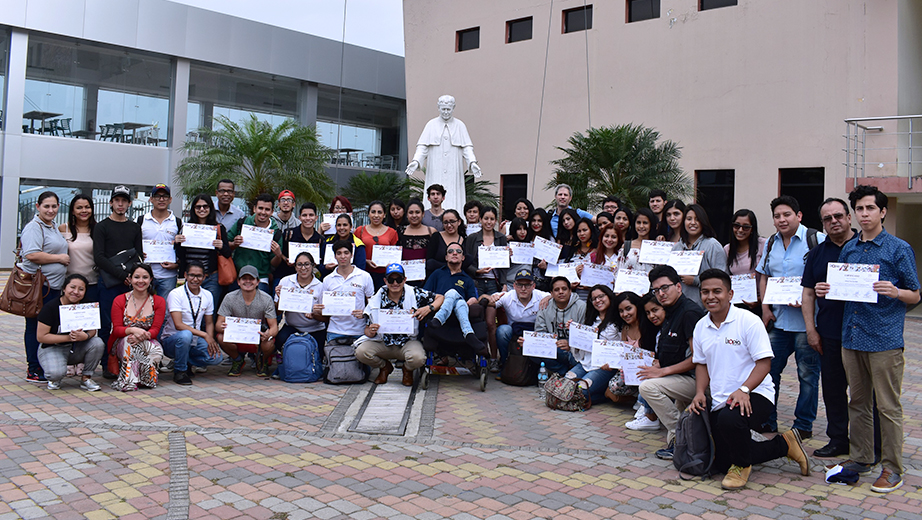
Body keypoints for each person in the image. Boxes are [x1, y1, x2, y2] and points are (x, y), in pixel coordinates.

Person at [827, 185, 919, 493]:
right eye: (860, 209)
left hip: (884, 340)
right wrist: (831, 289)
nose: (864, 214)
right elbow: (845, 288)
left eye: (870, 208)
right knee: (859, 402)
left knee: (888, 407)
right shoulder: (849, 249)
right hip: (851, 337)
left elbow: (915, 293)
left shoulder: (898, 249)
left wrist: (896, 291)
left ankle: (892, 468)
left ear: (883, 211)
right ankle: (861, 457)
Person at [689, 269, 811, 490]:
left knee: (730, 421)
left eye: (717, 291)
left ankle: (742, 465)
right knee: (721, 462)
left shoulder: (748, 321)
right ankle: (784, 445)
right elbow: (701, 364)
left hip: (756, 394)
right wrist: (699, 392)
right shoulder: (700, 326)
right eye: (705, 292)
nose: (711, 297)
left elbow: (764, 363)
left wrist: (744, 389)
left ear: (730, 294)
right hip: (720, 400)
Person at [801, 198, 872, 459]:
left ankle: (870, 443)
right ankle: (838, 439)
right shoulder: (818, 252)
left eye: (838, 216)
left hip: (864, 334)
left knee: (865, 392)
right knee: (833, 390)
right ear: (822, 223)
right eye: (828, 218)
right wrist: (811, 330)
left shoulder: (866, 247)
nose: (834, 221)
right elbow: (807, 294)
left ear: (849, 217)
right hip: (829, 333)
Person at [756, 195, 826, 438]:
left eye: (787, 215)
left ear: (799, 216)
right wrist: (765, 308)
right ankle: (767, 420)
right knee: (768, 371)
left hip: (808, 323)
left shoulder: (816, 239)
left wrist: (809, 298)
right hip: (779, 321)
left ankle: (803, 426)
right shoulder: (771, 243)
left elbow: (827, 277)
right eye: (777, 216)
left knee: (807, 376)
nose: (781, 220)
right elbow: (764, 275)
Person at [630, 265, 705, 461]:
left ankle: (684, 435)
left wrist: (662, 372)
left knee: (647, 387)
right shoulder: (671, 311)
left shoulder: (689, 313)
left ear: (679, 287)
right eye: (656, 290)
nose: (661, 294)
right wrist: (658, 364)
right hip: (680, 377)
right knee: (677, 414)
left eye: (665, 288)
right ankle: (680, 443)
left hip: (699, 382)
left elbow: (698, 358)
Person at [356, 263, 444, 386]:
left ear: (405, 280)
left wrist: (428, 308)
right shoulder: (377, 298)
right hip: (384, 342)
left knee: (418, 358)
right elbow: (367, 330)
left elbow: (440, 297)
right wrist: (370, 331)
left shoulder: (414, 293)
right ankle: (384, 367)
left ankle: (407, 370)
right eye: (391, 280)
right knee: (361, 352)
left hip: (407, 341)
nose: (395, 283)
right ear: (385, 281)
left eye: (399, 279)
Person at [19, 191, 71, 383]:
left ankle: (44, 364)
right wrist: (60, 258)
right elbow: (31, 254)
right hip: (38, 288)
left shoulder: (52, 226)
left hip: (53, 287)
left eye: (54, 206)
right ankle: (33, 368)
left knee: (48, 326)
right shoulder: (34, 227)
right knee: (34, 326)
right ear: (37, 207)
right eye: (46, 206)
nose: (51, 210)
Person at [93, 185, 144, 378]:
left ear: (129, 203)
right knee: (106, 325)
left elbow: (138, 256)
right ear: (111, 203)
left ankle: (128, 361)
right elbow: (99, 257)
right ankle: (107, 364)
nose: (120, 204)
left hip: (129, 286)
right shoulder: (102, 227)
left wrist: (134, 278)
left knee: (130, 323)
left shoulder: (134, 227)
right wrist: (123, 276)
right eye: (117, 200)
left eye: (124, 200)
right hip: (108, 284)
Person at [406, 95, 482, 214]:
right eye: (443, 109)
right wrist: (416, 161)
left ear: (453, 108)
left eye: (448, 109)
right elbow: (422, 146)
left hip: (454, 168)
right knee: (434, 190)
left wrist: (472, 162)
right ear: (438, 108)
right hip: (435, 167)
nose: (446, 112)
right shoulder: (431, 125)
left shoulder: (460, 125)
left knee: (454, 194)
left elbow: (467, 147)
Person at [36, 274, 104, 391]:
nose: (76, 292)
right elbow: (41, 337)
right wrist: (69, 338)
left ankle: (86, 378)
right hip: (53, 347)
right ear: (64, 288)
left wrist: (86, 336)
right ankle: (55, 379)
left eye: (81, 289)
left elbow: (93, 330)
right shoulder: (50, 308)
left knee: (97, 343)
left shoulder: (87, 305)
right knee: (55, 373)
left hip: (77, 348)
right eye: (72, 287)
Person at [160, 261, 224, 385]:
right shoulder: (176, 294)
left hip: (194, 338)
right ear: (185, 275)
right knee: (185, 335)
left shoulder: (207, 295)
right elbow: (178, 325)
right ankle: (180, 371)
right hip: (173, 339)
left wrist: (209, 339)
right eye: (192, 275)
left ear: (204, 277)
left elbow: (209, 322)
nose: (195, 279)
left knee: (216, 358)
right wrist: (204, 335)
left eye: (199, 276)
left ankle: (184, 360)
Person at [108, 264, 167, 392]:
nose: (141, 281)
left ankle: (146, 379)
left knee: (155, 349)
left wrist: (142, 336)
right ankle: (128, 381)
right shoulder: (119, 300)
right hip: (123, 339)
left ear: (151, 279)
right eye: (137, 277)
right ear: (130, 279)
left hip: (147, 339)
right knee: (130, 344)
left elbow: (156, 330)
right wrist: (133, 331)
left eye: (145, 277)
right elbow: (117, 329)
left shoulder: (159, 301)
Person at [216, 266, 279, 377]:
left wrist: (268, 334)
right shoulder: (229, 298)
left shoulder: (266, 299)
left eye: (252, 279)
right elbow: (218, 324)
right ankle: (237, 360)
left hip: (258, 337)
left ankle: (262, 360)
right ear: (238, 282)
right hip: (236, 336)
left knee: (269, 340)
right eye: (244, 278)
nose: (248, 281)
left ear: (257, 282)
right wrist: (223, 327)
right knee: (220, 337)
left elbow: (274, 326)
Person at [424, 242, 487, 354]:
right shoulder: (437, 274)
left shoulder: (467, 279)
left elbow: (473, 298)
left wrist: (473, 300)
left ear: (463, 257)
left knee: (457, 299)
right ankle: (469, 334)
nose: (454, 253)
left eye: (458, 251)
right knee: (453, 295)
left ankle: (439, 319)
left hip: (460, 313)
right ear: (446, 257)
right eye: (450, 251)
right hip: (439, 307)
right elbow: (425, 294)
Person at [315, 240, 375, 347]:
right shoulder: (328, 280)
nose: (343, 256)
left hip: (359, 331)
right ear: (334, 256)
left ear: (352, 255)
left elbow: (372, 303)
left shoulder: (365, 276)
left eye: (346, 253)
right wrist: (318, 310)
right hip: (335, 330)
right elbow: (324, 308)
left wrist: (365, 313)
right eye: (339, 253)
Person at [487, 268, 549, 372]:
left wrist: (549, 297)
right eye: (520, 285)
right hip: (514, 332)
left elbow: (557, 296)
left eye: (527, 285)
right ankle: (504, 362)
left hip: (535, 333)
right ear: (514, 286)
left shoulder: (540, 295)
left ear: (533, 286)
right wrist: (490, 298)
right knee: (502, 331)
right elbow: (490, 301)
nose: (523, 289)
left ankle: (539, 366)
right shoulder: (508, 296)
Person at [566, 285, 620, 404]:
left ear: (609, 296)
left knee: (580, 391)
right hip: (586, 363)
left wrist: (614, 362)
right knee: (565, 386)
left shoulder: (618, 320)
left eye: (601, 296)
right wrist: (574, 331)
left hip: (605, 367)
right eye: (594, 299)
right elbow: (581, 347)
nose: (598, 300)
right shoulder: (590, 320)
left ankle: (604, 396)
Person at [175, 194, 232, 301]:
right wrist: (177, 243)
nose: (202, 209)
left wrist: (221, 246)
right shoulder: (186, 228)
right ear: (194, 209)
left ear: (210, 208)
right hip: (190, 277)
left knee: (209, 310)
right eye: (198, 207)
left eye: (205, 206)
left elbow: (228, 253)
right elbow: (180, 255)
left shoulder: (219, 228)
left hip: (210, 277)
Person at [227, 193, 285, 294]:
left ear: (272, 212)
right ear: (254, 209)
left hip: (261, 278)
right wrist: (234, 244)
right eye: (260, 208)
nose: (263, 212)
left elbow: (274, 263)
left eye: (267, 209)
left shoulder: (276, 233)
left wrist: (278, 255)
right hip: (238, 275)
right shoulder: (242, 223)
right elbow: (226, 244)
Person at [673, 204, 728, 304]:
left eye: (697, 219)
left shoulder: (712, 245)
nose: (693, 223)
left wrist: (695, 280)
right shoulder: (677, 247)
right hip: (679, 306)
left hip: (704, 307)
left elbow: (722, 277)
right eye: (689, 219)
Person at [532, 276, 585, 376]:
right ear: (551, 294)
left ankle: (568, 370)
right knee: (529, 350)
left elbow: (585, 336)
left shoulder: (581, 307)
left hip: (574, 352)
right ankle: (563, 371)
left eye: (564, 289)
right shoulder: (545, 306)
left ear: (570, 291)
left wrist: (570, 344)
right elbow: (540, 332)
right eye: (556, 290)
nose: (561, 292)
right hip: (553, 348)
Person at [274, 251, 326, 351]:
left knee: (316, 356)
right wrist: (281, 298)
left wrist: (314, 314)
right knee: (279, 341)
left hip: (315, 329)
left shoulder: (321, 286)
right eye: (299, 264)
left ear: (313, 266)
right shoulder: (286, 281)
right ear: (295, 266)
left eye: (307, 264)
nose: (303, 268)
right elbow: (277, 312)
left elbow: (325, 318)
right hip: (292, 327)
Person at [138, 183, 181, 297]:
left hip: (168, 276)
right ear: (151, 199)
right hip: (145, 275)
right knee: (144, 309)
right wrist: (139, 254)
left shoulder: (177, 222)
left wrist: (177, 264)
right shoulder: (142, 220)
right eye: (157, 196)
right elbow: (134, 244)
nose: (161, 199)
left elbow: (182, 249)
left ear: (170, 200)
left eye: (165, 196)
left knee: (166, 310)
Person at [59, 194, 99, 304]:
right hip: (69, 285)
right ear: (72, 211)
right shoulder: (64, 228)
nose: (84, 210)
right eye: (79, 208)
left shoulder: (98, 229)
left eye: (87, 207)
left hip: (92, 283)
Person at [724, 209, 766, 314]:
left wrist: (760, 299)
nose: (740, 230)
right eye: (737, 226)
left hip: (760, 305)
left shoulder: (763, 245)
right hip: (735, 305)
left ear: (752, 229)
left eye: (746, 227)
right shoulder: (727, 249)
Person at [355, 200, 400, 290]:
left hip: (385, 274)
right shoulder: (360, 231)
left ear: (384, 215)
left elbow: (394, 254)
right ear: (368, 214)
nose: (376, 215)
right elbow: (355, 252)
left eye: (379, 212)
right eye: (373, 212)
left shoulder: (392, 232)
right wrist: (366, 260)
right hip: (365, 272)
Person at [277, 202, 326, 282]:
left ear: (316, 218)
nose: (308, 218)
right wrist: (286, 259)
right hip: (286, 277)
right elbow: (280, 253)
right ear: (299, 218)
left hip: (309, 281)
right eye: (304, 215)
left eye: (311, 215)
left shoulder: (320, 239)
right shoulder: (289, 234)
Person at [398, 199, 437, 288]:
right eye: (411, 212)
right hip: (405, 277)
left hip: (426, 276)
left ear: (423, 214)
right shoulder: (400, 231)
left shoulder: (431, 231)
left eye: (417, 212)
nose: (414, 215)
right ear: (406, 214)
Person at [426, 209, 466, 275]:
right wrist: (451, 266)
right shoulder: (436, 237)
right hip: (438, 277)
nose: (449, 225)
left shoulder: (464, 239)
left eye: (452, 221)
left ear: (459, 222)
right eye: (445, 222)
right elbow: (429, 262)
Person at [619, 208, 658, 273]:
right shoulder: (626, 246)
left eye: (645, 223)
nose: (641, 226)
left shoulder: (657, 247)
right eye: (638, 222)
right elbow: (619, 270)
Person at [506, 217, 534, 290]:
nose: (522, 232)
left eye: (524, 229)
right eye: (519, 229)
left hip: (528, 283)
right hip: (511, 284)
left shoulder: (532, 246)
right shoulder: (507, 246)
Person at [529, 208, 553, 291]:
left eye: (539, 221)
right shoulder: (526, 237)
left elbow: (554, 264)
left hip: (543, 282)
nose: (536, 223)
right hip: (526, 281)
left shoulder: (550, 240)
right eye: (533, 220)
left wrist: (546, 267)